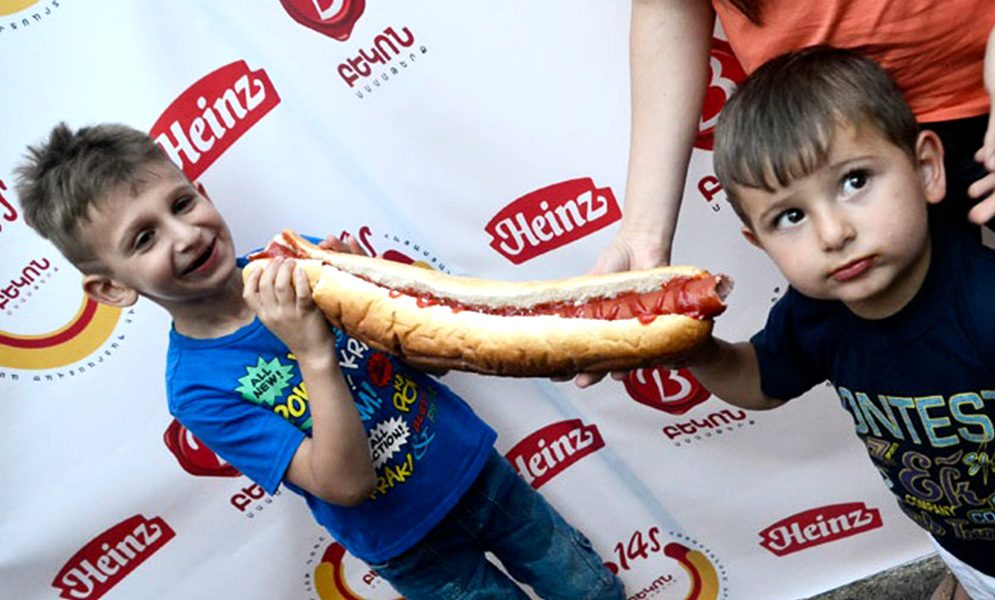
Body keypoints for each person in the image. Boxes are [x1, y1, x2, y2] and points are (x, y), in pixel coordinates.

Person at [594, 1, 995, 595]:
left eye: (855, 183)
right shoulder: (815, 313)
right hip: (965, 546)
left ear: (927, 168)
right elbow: (760, 381)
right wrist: (697, 351)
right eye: (791, 216)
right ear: (757, 241)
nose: (834, 234)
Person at [15, 122, 625, 600]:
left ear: (203, 193)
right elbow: (345, 484)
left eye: (181, 203)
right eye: (143, 239)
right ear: (112, 288)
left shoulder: (300, 265)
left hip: (479, 474)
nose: (185, 235)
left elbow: (434, 364)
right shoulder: (199, 390)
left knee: (591, 590)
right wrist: (312, 350)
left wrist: (381, 299)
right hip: (411, 546)